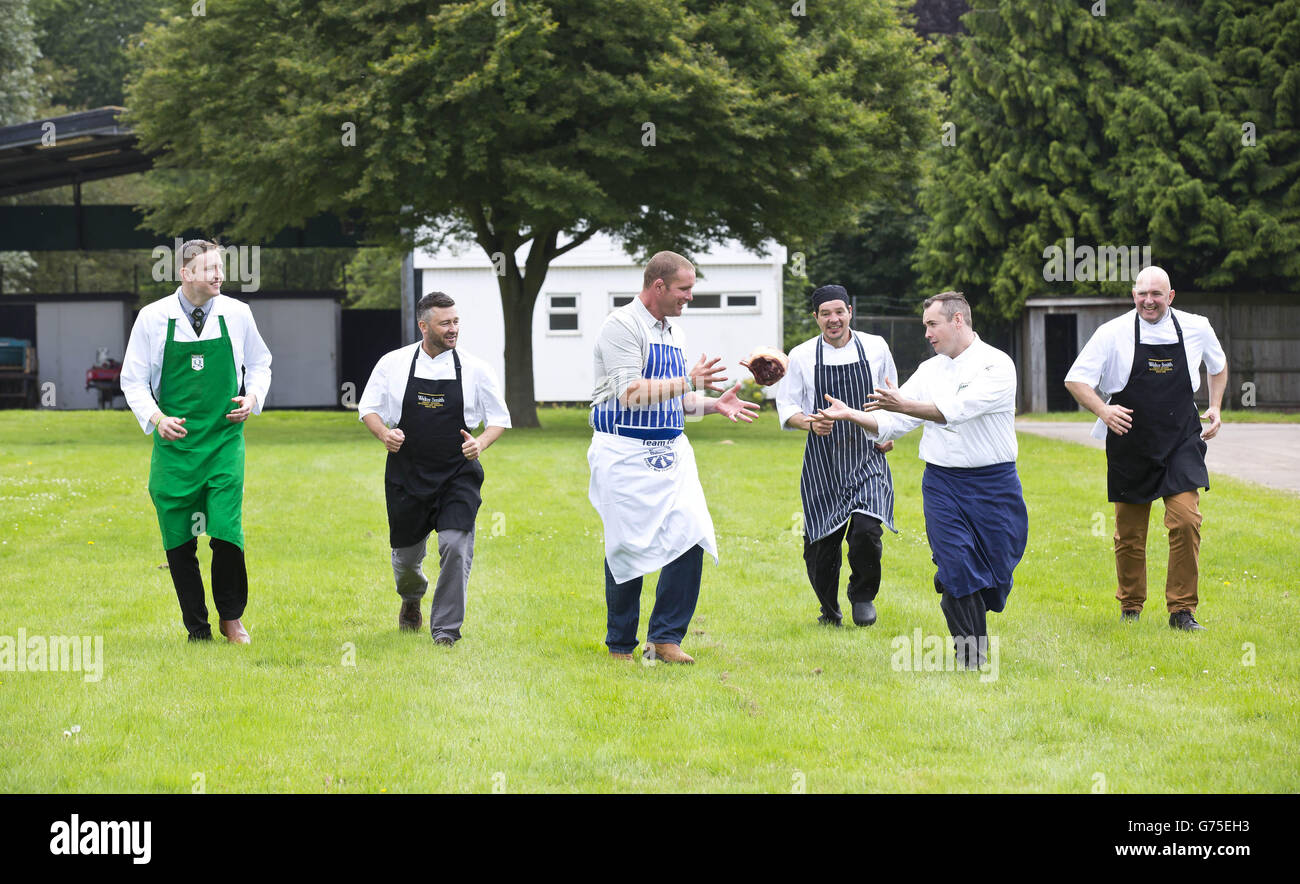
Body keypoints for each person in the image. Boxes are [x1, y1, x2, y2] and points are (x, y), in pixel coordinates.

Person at [814, 292, 1027, 669]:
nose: (927, 333)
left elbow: (956, 411)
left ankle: (960, 579)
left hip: (995, 484)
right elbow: (894, 420)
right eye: (925, 325)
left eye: (932, 324)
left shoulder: (997, 365)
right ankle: (972, 658)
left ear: (957, 321)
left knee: (997, 571)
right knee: (959, 566)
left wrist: (903, 405)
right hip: (942, 483)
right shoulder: (931, 371)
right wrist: (851, 415)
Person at [588, 250, 760, 664]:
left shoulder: (674, 333)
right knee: (626, 546)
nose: (690, 297)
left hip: (672, 452)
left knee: (692, 533)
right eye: (684, 289)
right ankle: (620, 645)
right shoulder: (621, 326)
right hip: (623, 451)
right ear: (658, 286)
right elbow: (630, 393)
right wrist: (687, 380)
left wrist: (713, 404)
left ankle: (665, 638)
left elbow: (679, 401)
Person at [121, 239, 272, 643]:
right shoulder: (153, 318)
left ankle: (231, 617)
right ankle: (196, 627)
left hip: (224, 441)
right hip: (176, 447)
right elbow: (132, 380)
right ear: (186, 274)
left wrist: (253, 396)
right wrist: (156, 417)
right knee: (179, 536)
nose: (219, 275)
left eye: (220, 268)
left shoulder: (238, 314)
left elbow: (260, 363)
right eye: (210, 269)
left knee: (225, 529)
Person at [1064, 266, 1226, 631]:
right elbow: (1075, 379)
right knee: (1130, 533)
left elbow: (1218, 365)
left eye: (1156, 294)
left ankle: (1182, 611)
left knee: (1186, 521)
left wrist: (1215, 405)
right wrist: (1103, 410)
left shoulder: (1196, 326)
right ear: (1133, 295)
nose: (1148, 301)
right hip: (1130, 440)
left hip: (1182, 439)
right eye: (1142, 294)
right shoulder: (1113, 332)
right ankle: (1131, 607)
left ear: (1170, 296)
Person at [359, 292, 510, 646]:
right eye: (445, 323)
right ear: (423, 325)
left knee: (455, 546)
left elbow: (499, 420)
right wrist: (384, 433)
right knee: (406, 560)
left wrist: (481, 443)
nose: (453, 328)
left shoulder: (475, 368)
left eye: (456, 321)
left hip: (457, 475)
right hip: (406, 475)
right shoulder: (393, 363)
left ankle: (445, 631)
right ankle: (411, 598)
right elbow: (368, 407)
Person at [776, 284, 898, 628]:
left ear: (850, 312)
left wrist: (885, 431)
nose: (834, 319)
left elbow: (892, 396)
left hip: (866, 452)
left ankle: (863, 595)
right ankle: (829, 609)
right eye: (825, 313)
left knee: (866, 528)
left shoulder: (875, 347)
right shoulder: (800, 355)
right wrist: (809, 423)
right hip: (823, 460)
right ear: (816, 317)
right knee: (820, 545)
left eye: (839, 311)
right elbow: (787, 407)